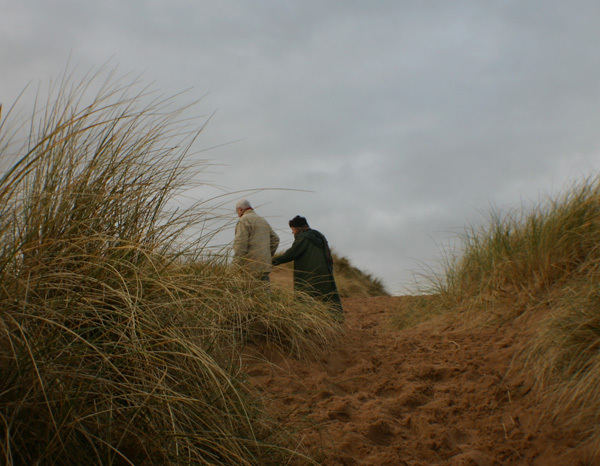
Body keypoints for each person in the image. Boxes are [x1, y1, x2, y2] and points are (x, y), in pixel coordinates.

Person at [272, 215, 343, 320]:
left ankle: (309, 322)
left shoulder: (303, 237)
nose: (293, 232)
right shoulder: (320, 236)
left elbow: (290, 254)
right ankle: (335, 318)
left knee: (307, 298)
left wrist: (271, 261)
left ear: (300, 228)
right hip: (325, 272)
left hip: (310, 274)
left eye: (293, 229)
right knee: (326, 298)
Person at [233, 199, 280, 282]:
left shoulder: (244, 220)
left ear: (240, 210)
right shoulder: (262, 220)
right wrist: (267, 255)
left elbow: (240, 245)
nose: (238, 215)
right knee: (265, 292)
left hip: (249, 268)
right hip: (264, 265)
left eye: (237, 212)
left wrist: (235, 267)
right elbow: (275, 239)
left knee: (249, 293)